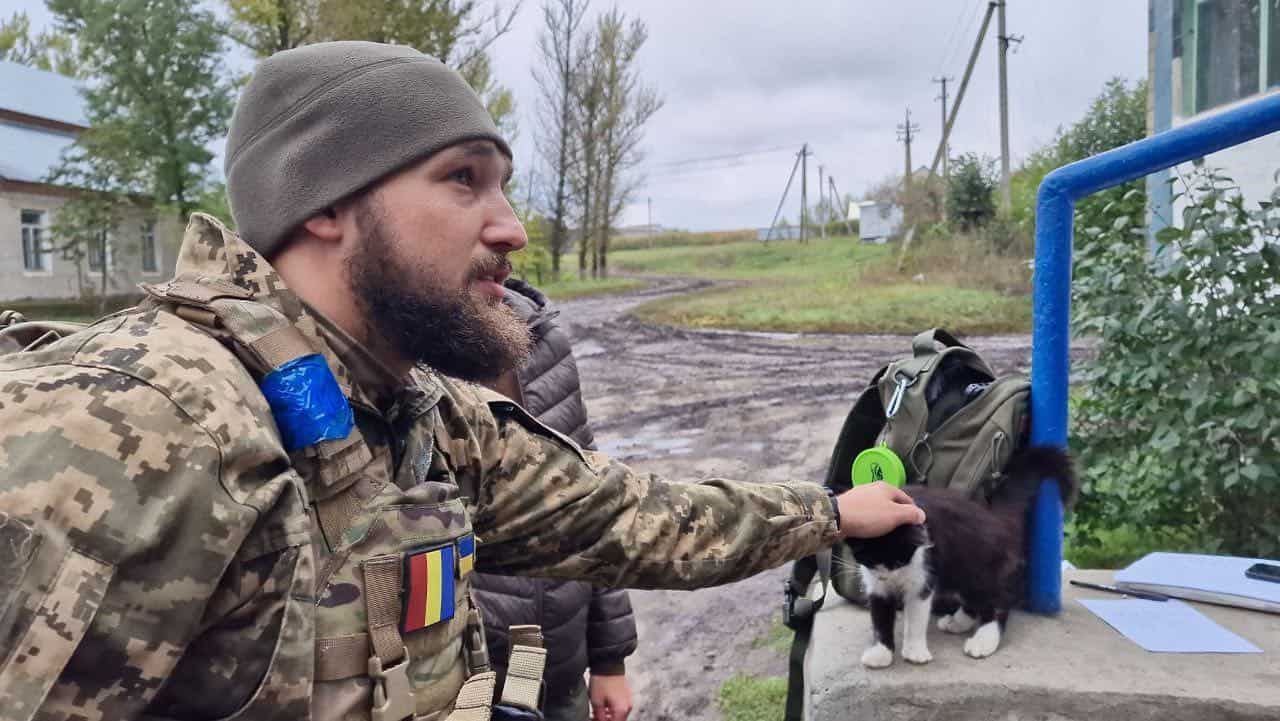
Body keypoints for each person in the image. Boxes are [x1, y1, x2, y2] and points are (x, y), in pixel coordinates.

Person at [0, 41, 924, 721]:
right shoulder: (136, 424)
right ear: (324, 203)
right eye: (462, 180)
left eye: (504, 184)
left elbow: (631, 516)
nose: (512, 227)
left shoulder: (415, 413)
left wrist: (834, 514)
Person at [475, 277, 636, 721]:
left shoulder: (540, 337)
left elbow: (590, 503)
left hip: (562, 672)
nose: (510, 231)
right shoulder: (400, 351)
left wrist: (610, 660)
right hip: (470, 690)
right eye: (465, 201)